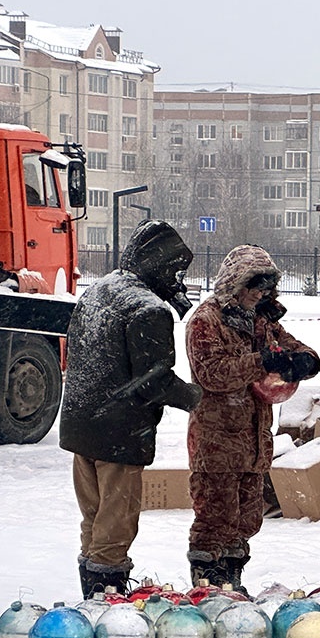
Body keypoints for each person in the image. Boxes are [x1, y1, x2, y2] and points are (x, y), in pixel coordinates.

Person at [59, 219, 202, 599]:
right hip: (118, 434)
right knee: (116, 523)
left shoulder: (99, 290)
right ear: (158, 265)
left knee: (93, 517)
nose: (177, 278)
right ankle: (107, 596)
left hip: (80, 425)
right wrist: (195, 398)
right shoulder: (148, 309)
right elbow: (153, 381)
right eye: (174, 269)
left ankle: (92, 594)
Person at [186, 244, 320, 590]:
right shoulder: (207, 320)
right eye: (253, 286)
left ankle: (231, 579)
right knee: (215, 518)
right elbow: (211, 373)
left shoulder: (263, 321)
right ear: (236, 283)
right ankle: (208, 584)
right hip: (217, 440)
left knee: (246, 519)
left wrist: (304, 361)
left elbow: (296, 347)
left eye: (265, 288)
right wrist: (262, 361)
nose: (259, 294)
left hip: (254, 442)